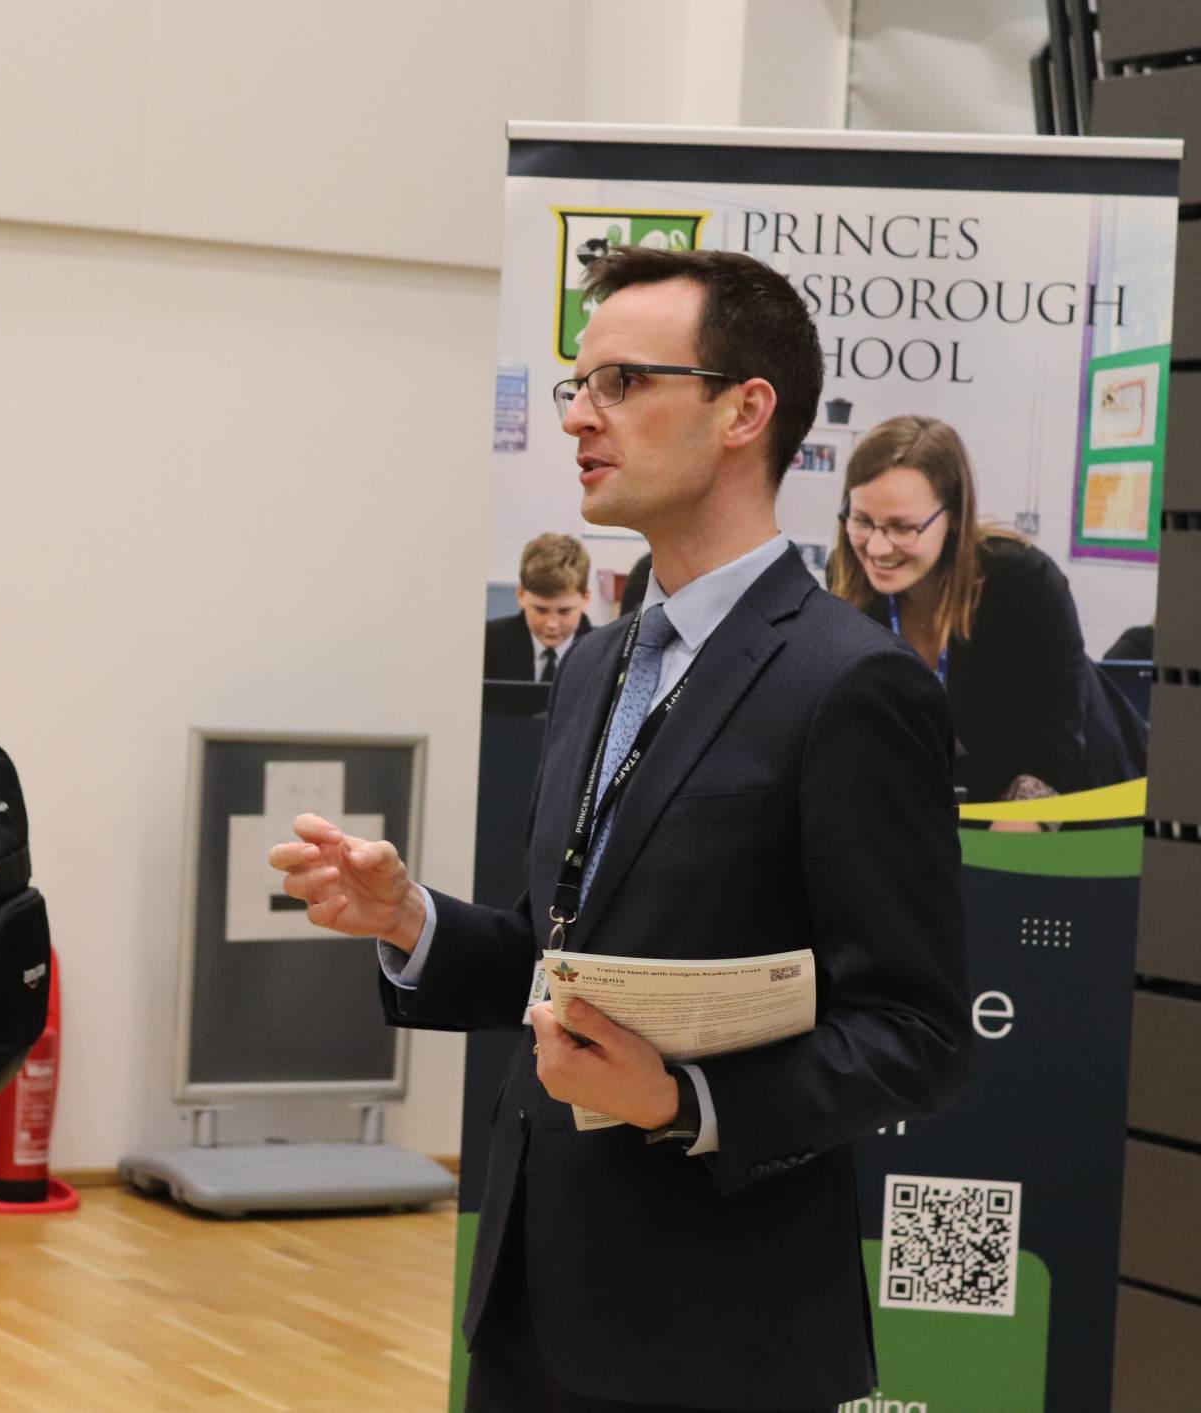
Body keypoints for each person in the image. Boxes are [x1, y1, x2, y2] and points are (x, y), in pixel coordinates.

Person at [271, 247, 971, 1412]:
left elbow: (918, 1033)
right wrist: (410, 919)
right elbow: (565, 958)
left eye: (623, 383)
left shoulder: (852, 683)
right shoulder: (597, 665)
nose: (578, 418)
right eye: (577, 385)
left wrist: (684, 1102)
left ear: (745, 411)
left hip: (721, 1337)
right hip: (531, 1296)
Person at [826, 414, 1140, 802]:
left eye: (903, 527)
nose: (876, 547)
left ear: (955, 516)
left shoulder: (1022, 582)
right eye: (861, 520)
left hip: (1091, 793)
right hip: (977, 788)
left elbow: (1051, 762)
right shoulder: (851, 579)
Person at [483, 532, 593, 680]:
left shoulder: (607, 653)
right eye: (541, 610)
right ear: (521, 595)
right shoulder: (486, 643)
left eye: (564, 611)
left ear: (586, 599)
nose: (551, 624)